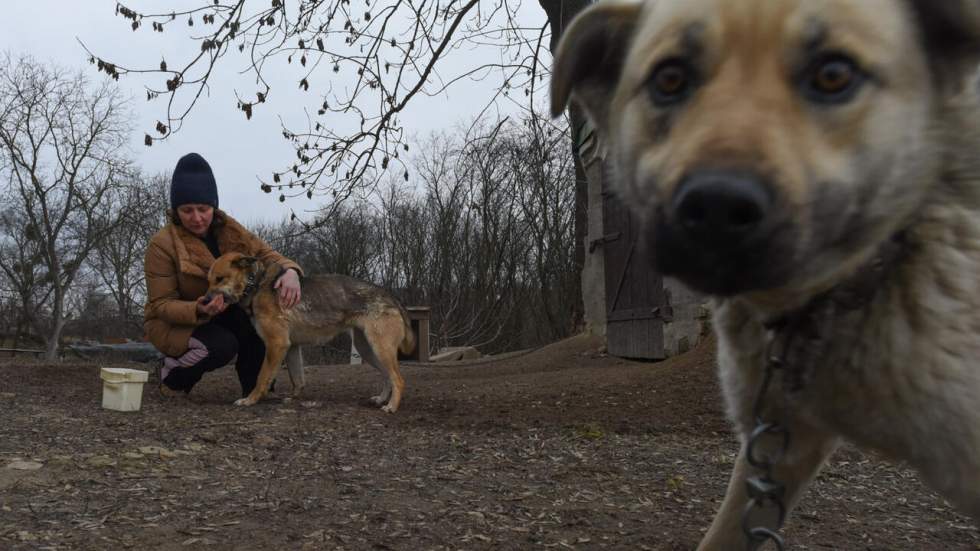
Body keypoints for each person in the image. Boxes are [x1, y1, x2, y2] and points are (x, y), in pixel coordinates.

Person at [143, 152, 303, 398]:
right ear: (176, 211)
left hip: (224, 312)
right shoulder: (161, 245)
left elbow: (267, 255)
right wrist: (198, 309)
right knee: (221, 347)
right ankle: (172, 377)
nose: (196, 218)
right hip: (176, 322)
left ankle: (257, 390)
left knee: (261, 317)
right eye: (187, 210)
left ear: (213, 207)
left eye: (203, 209)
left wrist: (291, 271)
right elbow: (161, 305)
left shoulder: (233, 230)